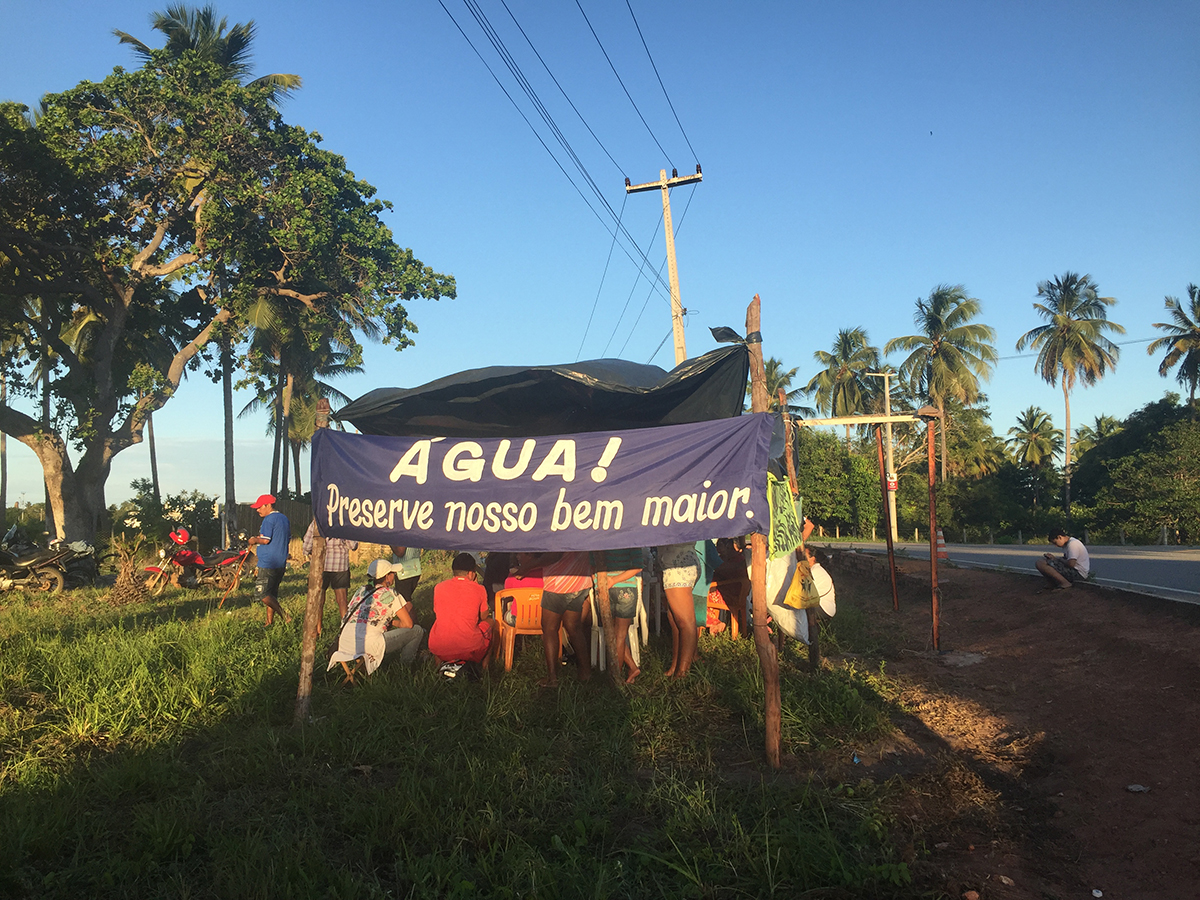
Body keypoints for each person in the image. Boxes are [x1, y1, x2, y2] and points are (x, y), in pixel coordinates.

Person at [328, 559, 425, 674]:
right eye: (392, 573)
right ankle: (404, 668)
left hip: (345, 643)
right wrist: (393, 622)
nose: (394, 576)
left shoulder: (361, 590)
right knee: (417, 631)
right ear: (387, 577)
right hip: (369, 645)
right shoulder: (390, 593)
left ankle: (358, 670)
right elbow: (408, 624)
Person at [526, 551, 592, 687]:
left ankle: (552, 678)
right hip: (580, 581)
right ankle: (585, 673)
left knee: (549, 629)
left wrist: (527, 567)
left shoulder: (555, 529)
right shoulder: (581, 529)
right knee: (574, 628)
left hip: (558, 583)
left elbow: (553, 556)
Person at [428, 552, 498, 670]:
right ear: (471, 573)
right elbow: (484, 616)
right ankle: (485, 666)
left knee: (441, 625)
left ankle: (438, 666)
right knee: (492, 623)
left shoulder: (439, 587)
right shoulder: (479, 589)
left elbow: (438, 611)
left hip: (440, 648)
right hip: (470, 649)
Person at [591, 548, 644, 684]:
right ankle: (621, 674)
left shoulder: (597, 536)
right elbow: (638, 565)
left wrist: (603, 582)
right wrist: (615, 580)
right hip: (626, 588)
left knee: (615, 635)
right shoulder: (630, 538)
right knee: (619, 635)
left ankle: (617, 676)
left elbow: (592, 565)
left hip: (603, 587)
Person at [302, 519, 358, 635]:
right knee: (342, 600)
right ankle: (345, 630)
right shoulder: (343, 522)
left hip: (320, 565)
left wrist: (308, 553)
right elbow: (353, 545)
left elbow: (306, 545)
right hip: (340, 565)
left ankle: (317, 630)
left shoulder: (317, 522)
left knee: (319, 600)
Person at [656, 542, 700, 678]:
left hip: (676, 565)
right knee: (674, 619)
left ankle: (682, 672)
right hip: (682, 560)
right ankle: (676, 665)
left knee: (685, 622)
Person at [248, 493, 291, 626]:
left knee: (262, 593)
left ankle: (285, 615)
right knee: (272, 594)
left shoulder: (269, 519)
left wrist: (254, 540)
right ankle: (269, 622)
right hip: (280, 561)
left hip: (268, 562)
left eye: (260, 507)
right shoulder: (283, 518)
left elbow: (265, 540)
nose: (258, 510)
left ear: (268, 505)